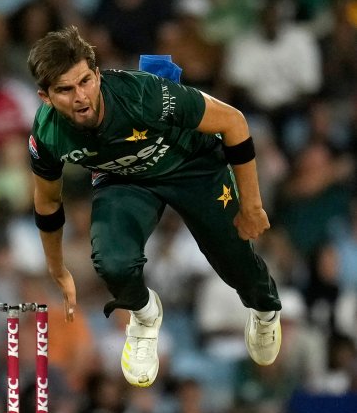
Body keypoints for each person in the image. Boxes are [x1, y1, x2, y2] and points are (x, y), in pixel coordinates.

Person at [27, 26, 282, 388]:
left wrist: (253, 206)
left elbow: (233, 122)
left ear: (97, 74)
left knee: (235, 262)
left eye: (85, 81)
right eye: (65, 90)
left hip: (190, 165)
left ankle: (265, 309)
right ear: (46, 97)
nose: (81, 96)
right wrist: (57, 268)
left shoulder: (142, 94)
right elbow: (48, 201)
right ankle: (144, 317)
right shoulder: (47, 134)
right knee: (112, 263)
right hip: (124, 179)